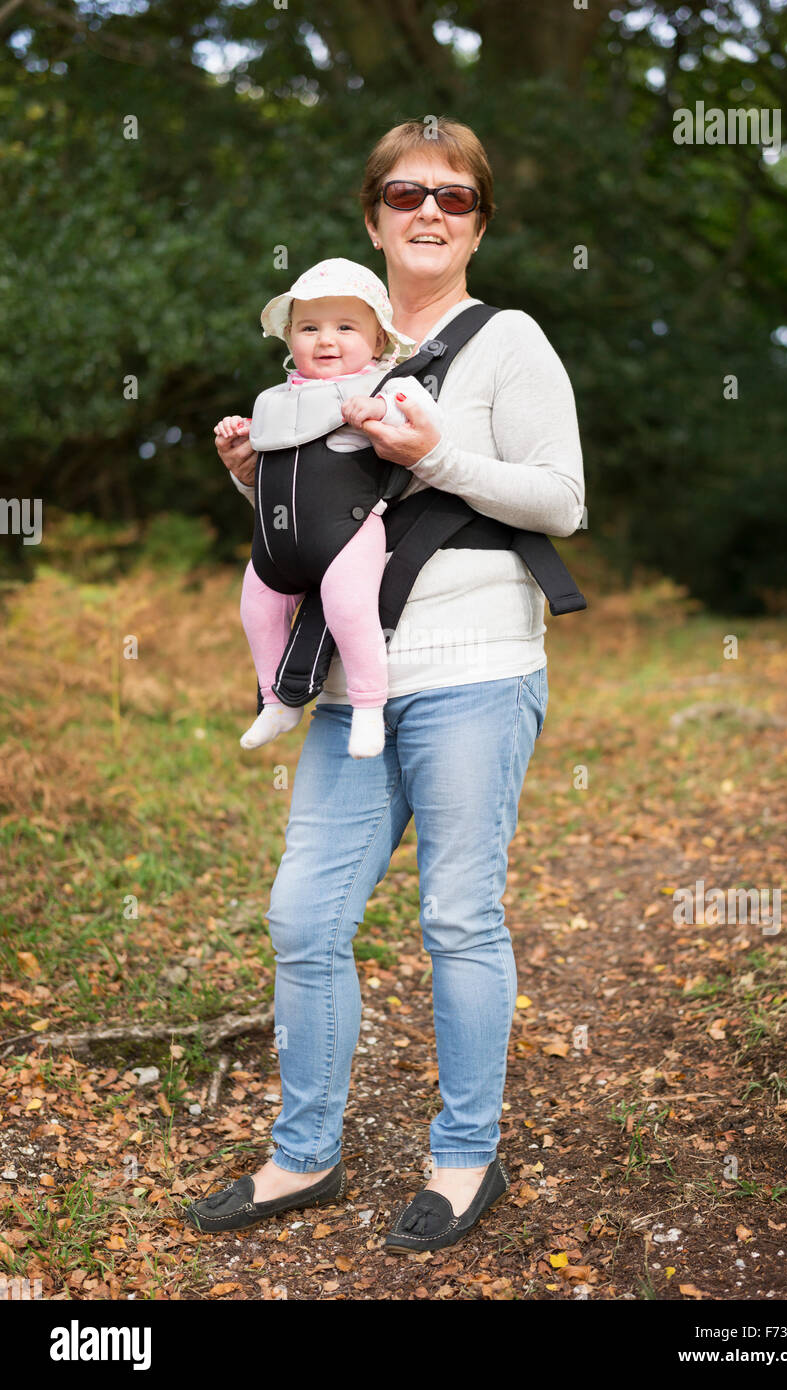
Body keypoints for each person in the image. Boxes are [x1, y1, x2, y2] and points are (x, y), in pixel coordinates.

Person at [187, 117, 585, 1254]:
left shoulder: (506, 340)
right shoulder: (323, 347)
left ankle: (465, 1156)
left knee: (457, 917)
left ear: (477, 222)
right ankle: (302, 1153)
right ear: (371, 218)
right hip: (353, 688)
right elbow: (310, 540)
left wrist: (431, 456)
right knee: (301, 917)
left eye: (452, 197)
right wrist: (250, 483)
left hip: (475, 669)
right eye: (405, 193)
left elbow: (560, 502)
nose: (427, 211)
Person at [214, 258, 441, 759]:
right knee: (256, 606)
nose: (325, 340)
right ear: (289, 337)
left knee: (349, 609)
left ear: (378, 342)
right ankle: (276, 700)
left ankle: (366, 707)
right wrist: (241, 443)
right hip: (278, 544)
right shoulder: (278, 398)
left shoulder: (385, 385)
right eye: (309, 328)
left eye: (344, 327)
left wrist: (380, 411)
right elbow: (270, 474)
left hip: (347, 535)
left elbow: (425, 418)